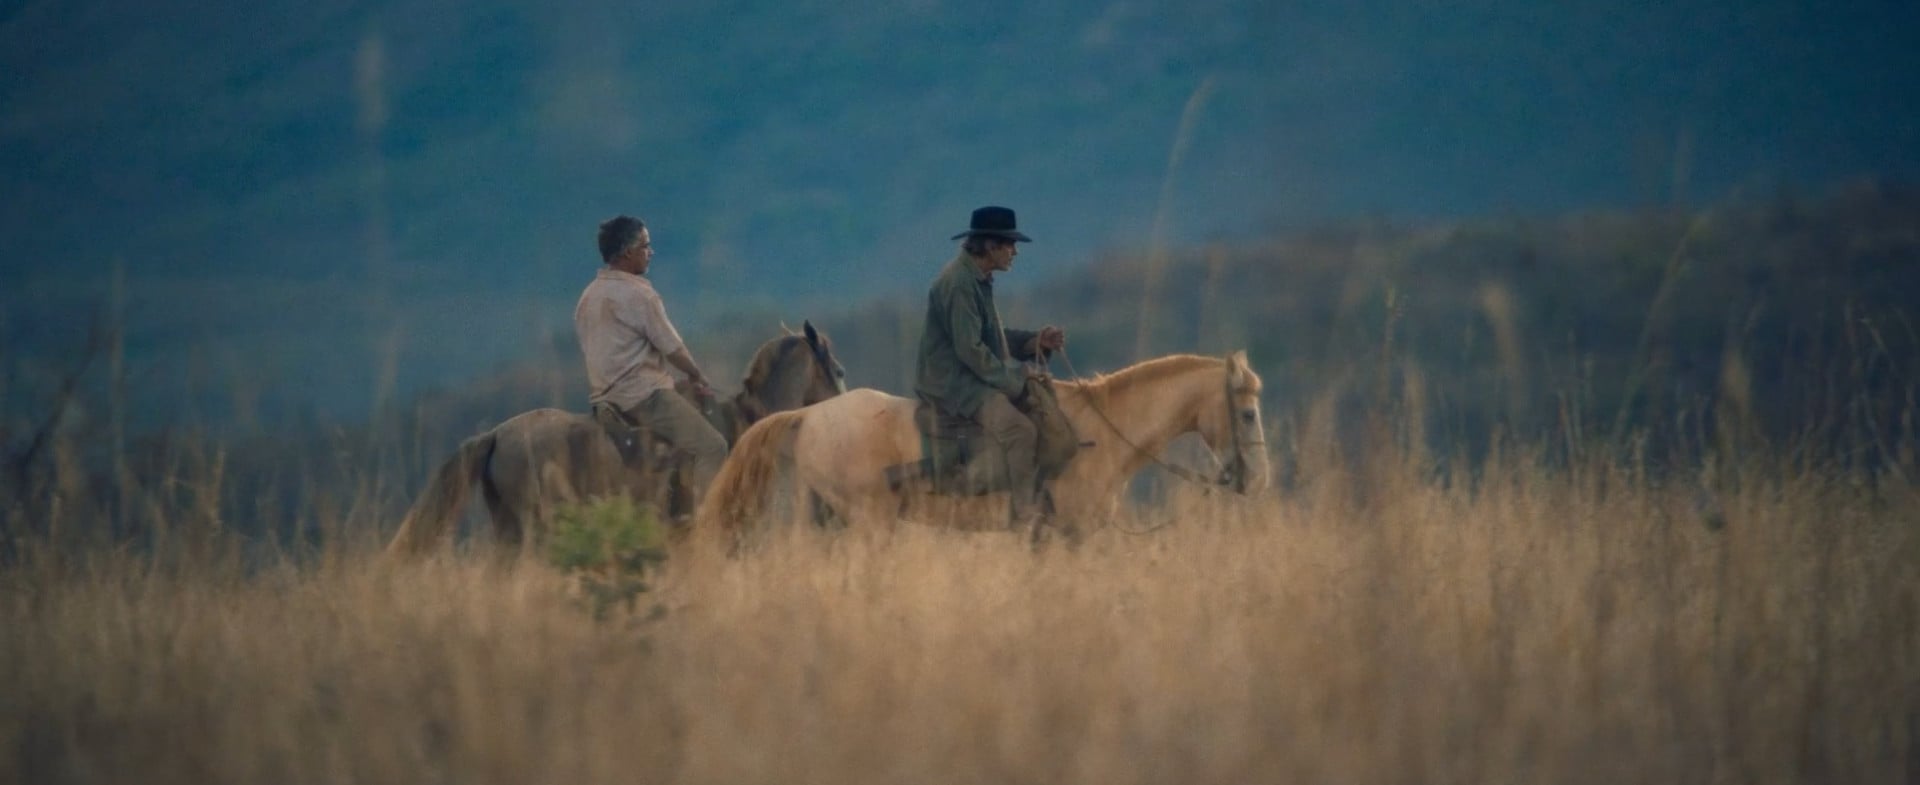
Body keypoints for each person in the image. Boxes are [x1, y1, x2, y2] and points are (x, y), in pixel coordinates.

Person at [914, 205, 1067, 528]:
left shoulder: (977, 279)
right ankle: (1027, 518)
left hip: (969, 375)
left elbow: (991, 338)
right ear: (990, 246)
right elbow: (970, 350)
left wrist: (1034, 342)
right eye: (1009, 245)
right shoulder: (959, 284)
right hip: (953, 383)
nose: (1014, 252)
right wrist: (1015, 379)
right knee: (1020, 430)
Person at [574, 215, 729, 514]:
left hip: (603, 401)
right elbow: (671, 347)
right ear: (627, 252)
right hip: (644, 397)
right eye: (645, 246)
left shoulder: (587, 297)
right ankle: (709, 525)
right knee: (713, 446)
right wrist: (697, 375)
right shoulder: (639, 294)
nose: (650, 252)